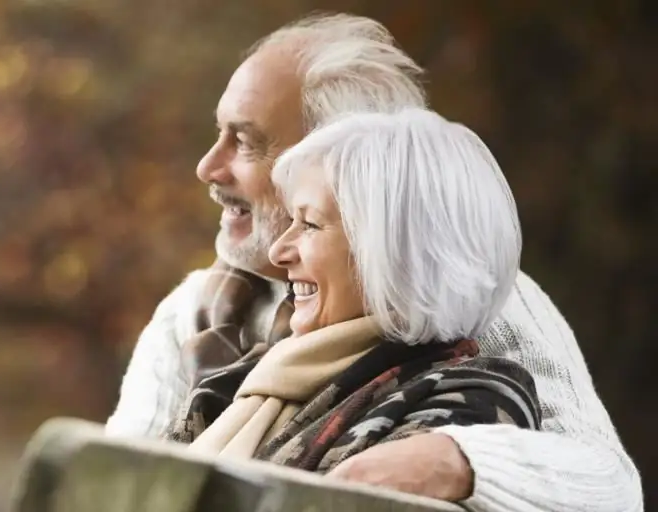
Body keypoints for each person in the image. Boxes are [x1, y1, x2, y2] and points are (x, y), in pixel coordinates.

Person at [104, 13, 642, 512]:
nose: (207, 167)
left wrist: (458, 461)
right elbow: (109, 486)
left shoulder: (474, 296)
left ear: (357, 164)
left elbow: (612, 490)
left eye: (244, 141)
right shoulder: (193, 313)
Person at [163, 107, 540, 474]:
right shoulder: (246, 378)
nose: (278, 252)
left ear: (397, 252)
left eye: (309, 224)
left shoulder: (469, 402)